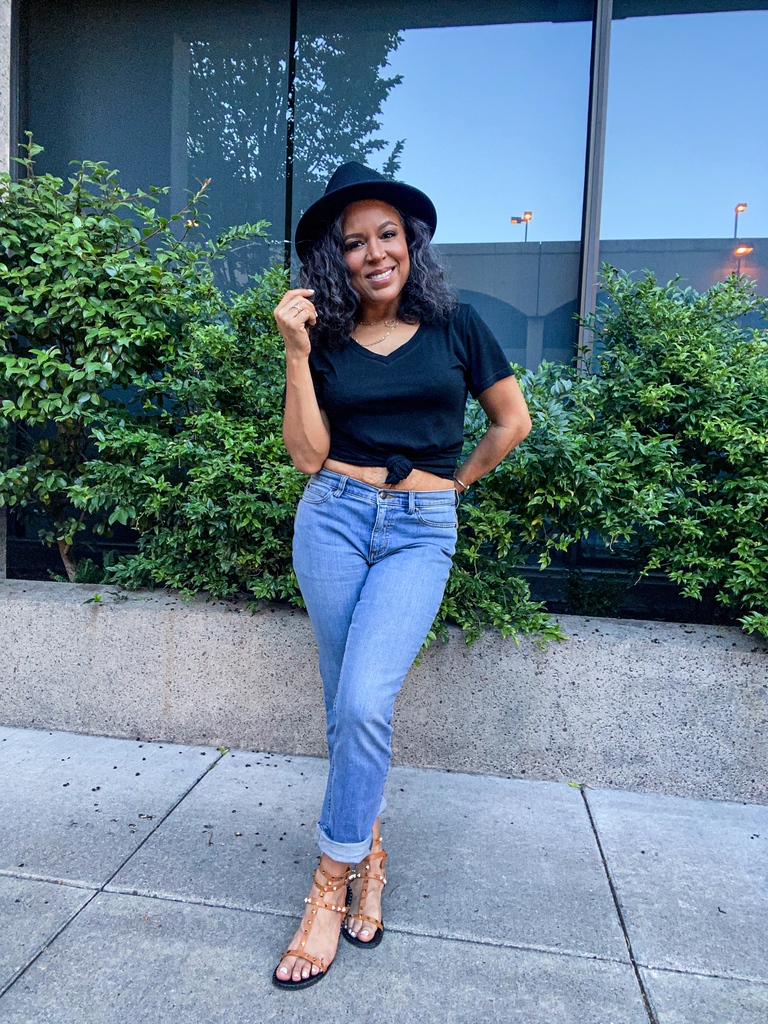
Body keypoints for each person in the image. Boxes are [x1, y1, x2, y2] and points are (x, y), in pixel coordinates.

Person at [272, 161, 532, 989]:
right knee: (341, 701)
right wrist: (295, 350)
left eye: (389, 235)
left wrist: (451, 489)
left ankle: (327, 885)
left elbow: (511, 421)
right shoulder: (328, 340)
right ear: (335, 259)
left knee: (361, 699)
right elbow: (308, 455)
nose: (375, 252)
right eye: (355, 242)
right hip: (333, 521)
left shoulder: (460, 325)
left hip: (420, 531)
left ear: (410, 244)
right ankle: (369, 857)